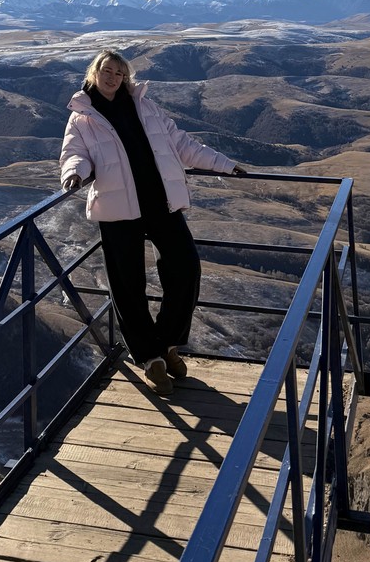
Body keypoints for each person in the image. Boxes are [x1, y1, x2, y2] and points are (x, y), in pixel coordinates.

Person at [59, 48, 247, 396]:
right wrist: (73, 174)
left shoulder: (145, 106)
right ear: (94, 73)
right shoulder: (82, 116)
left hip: (162, 203)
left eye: (119, 72)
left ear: (125, 76)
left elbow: (181, 144)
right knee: (127, 284)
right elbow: (75, 154)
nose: (113, 77)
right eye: (107, 71)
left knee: (186, 267)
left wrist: (225, 164)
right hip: (118, 210)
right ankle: (150, 358)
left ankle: (167, 344)